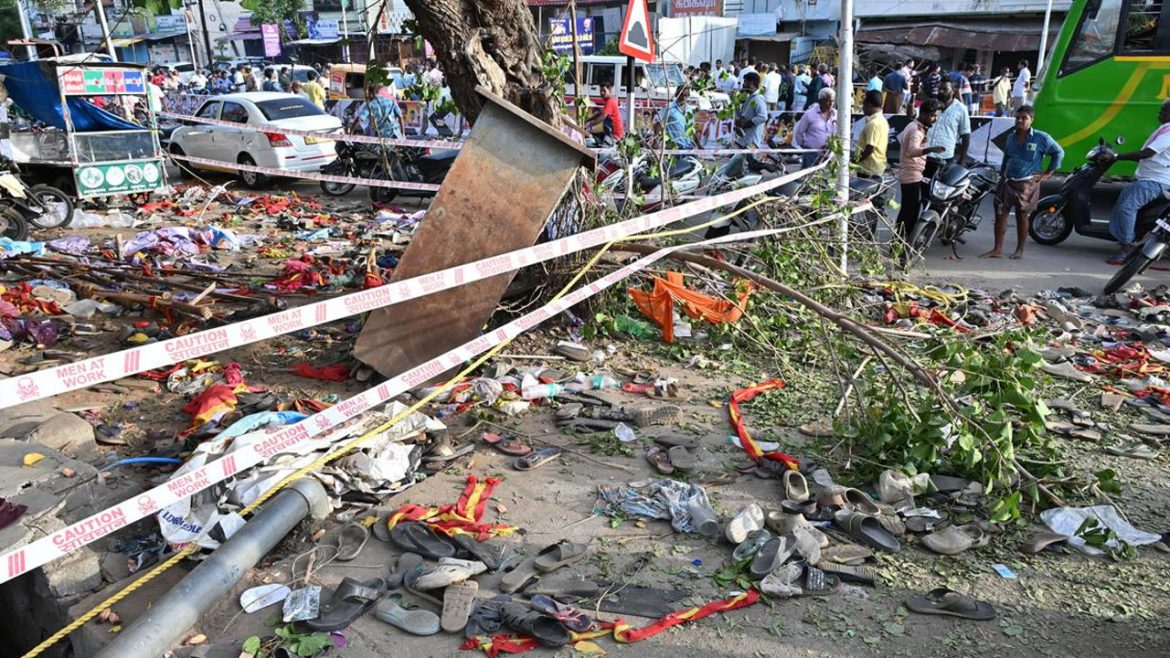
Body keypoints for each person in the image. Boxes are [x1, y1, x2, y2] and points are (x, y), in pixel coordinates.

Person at [980, 105, 1063, 260]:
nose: (1020, 120)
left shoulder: (1041, 137)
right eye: (1018, 117)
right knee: (1000, 214)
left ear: (1032, 120)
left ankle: (1019, 251)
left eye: (1024, 118)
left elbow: (1059, 152)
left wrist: (1047, 173)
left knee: (1022, 216)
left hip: (1027, 183)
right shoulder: (1011, 137)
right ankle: (997, 249)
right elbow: (1007, 156)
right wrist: (1002, 173)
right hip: (1008, 181)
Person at [1106, 100, 1170, 264]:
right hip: (1151, 177)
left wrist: (1117, 156)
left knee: (1127, 207)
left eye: (1164, 111)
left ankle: (1127, 247)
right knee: (1125, 196)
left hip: (1155, 181)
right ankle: (1127, 235)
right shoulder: (1164, 131)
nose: (1160, 114)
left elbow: (1147, 153)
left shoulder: (1168, 133)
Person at [895, 99, 946, 244]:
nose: (934, 119)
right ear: (924, 114)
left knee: (907, 212)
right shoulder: (916, 130)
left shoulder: (915, 125)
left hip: (911, 173)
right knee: (909, 214)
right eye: (932, 115)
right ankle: (901, 245)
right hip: (911, 175)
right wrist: (931, 149)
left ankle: (898, 244)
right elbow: (911, 151)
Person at [924, 79, 971, 177]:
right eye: (939, 88)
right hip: (926, 155)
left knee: (940, 190)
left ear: (953, 90)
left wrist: (962, 160)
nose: (941, 91)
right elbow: (914, 116)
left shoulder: (961, 109)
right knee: (924, 188)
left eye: (945, 89)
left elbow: (966, 136)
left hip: (944, 158)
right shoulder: (932, 105)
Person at [793, 87, 837, 168]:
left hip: (830, 155)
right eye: (828, 101)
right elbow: (799, 133)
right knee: (809, 178)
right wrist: (807, 147)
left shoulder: (836, 115)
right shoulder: (809, 114)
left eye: (832, 101)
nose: (831, 104)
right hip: (812, 155)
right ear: (820, 100)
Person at [856, 90, 889, 177]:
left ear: (869, 105)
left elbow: (870, 148)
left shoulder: (873, 123)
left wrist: (855, 161)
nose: (862, 107)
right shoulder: (882, 120)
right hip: (876, 167)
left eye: (863, 104)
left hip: (868, 169)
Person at [736, 72, 768, 149]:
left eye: (745, 82)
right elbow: (742, 114)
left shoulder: (758, 98)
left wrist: (747, 124)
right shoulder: (749, 98)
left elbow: (763, 117)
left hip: (751, 141)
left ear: (751, 83)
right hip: (744, 139)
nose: (743, 85)